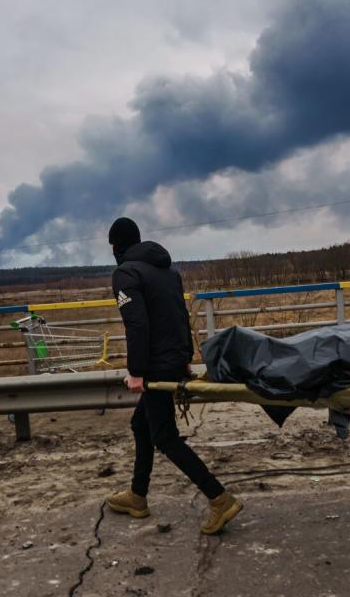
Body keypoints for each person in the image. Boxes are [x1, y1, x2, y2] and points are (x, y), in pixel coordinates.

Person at [104, 217, 243, 535]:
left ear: (116, 246)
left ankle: (219, 497)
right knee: (141, 425)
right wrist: (184, 360)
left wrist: (136, 372)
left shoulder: (126, 273)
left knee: (164, 437)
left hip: (153, 366)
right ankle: (137, 496)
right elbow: (180, 317)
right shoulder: (168, 271)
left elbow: (136, 325)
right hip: (172, 359)